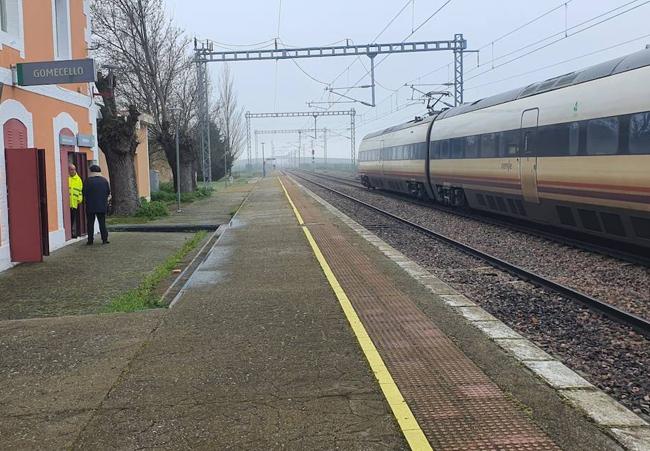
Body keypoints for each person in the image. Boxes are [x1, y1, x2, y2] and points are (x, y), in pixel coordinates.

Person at [82, 165, 111, 245]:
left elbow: (84, 192)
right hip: (102, 205)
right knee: (102, 223)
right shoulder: (104, 181)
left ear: (91, 171)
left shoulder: (87, 181)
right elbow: (108, 192)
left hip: (90, 205)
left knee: (90, 223)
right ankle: (104, 239)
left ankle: (90, 240)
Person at [68, 164, 83, 238]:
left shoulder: (78, 179)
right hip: (67, 203)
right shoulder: (67, 178)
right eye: (71, 169)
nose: (73, 171)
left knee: (72, 219)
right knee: (68, 219)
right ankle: (70, 233)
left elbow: (80, 190)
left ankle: (72, 232)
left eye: (74, 169)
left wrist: (80, 198)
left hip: (74, 203)